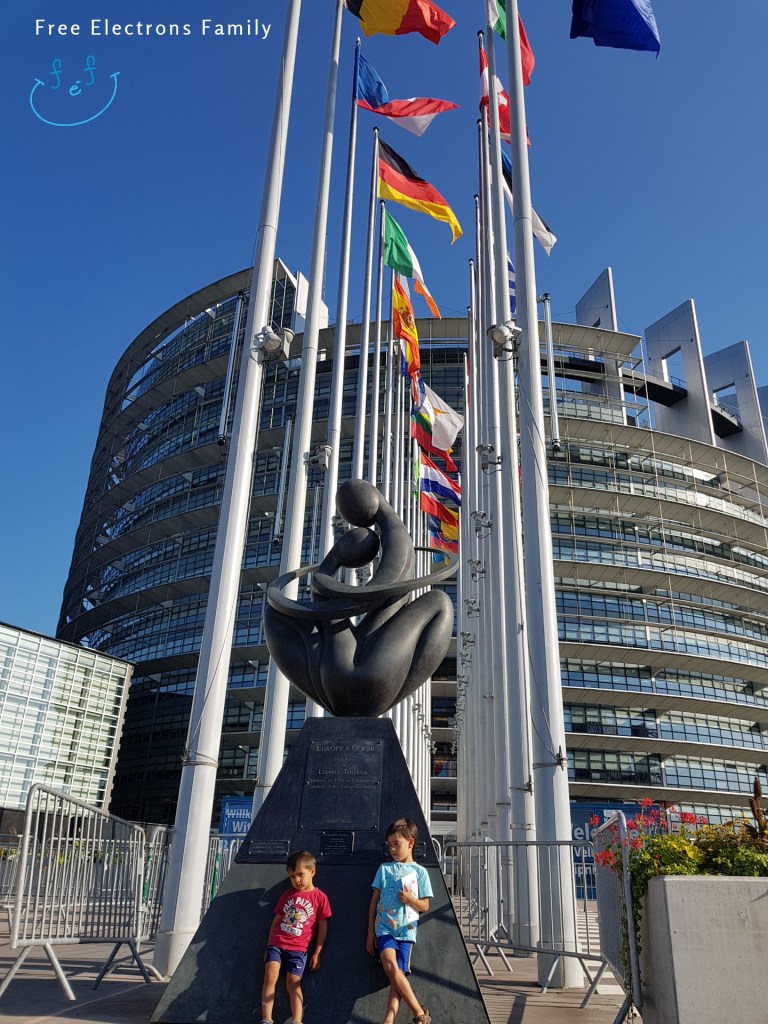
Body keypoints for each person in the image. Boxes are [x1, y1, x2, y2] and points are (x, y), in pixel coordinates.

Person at [366, 818, 433, 1024]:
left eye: (397, 844)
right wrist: (370, 933)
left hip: (406, 931)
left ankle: (388, 1019)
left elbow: (425, 906)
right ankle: (419, 1013)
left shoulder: (420, 872)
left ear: (410, 843)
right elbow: (374, 900)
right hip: (384, 927)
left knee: (397, 976)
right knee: (389, 964)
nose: (392, 849)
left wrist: (410, 899)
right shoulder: (384, 869)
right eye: (390, 845)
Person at [260, 850, 331, 1024]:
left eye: (300, 875)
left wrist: (317, 953)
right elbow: (276, 921)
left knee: (293, 983)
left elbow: (323, 927)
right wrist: (269, 945)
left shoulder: (320, 898)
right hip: (277, 944)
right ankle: (267, 1018)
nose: (296, 880)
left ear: (312, 872)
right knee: (270, 975)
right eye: (292, 876)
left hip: (299, 949)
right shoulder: (286, 895)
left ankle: (297, 1020)